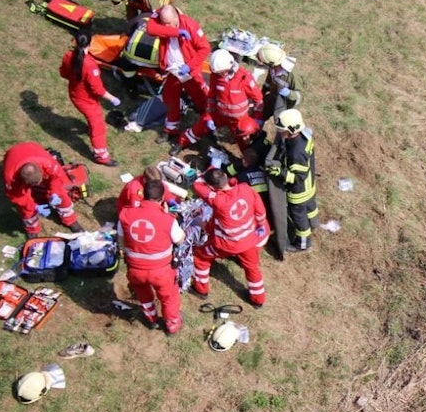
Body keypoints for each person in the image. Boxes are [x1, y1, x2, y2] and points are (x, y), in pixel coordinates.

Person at [191, 168, 269, 306]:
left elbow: (197, 185)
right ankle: (258, 299)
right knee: (252, 268)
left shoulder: (217, 200)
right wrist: (261, 224)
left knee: (200, 256)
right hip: (249, 240)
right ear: (226, 176)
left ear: (212, 187)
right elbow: (260, 210)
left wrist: (205, 173)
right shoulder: (245, 189)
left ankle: (201, 289)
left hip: (226, 244)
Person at [118, 180, 186, 333]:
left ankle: (152, 320)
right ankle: (172, 324)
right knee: (169, 297)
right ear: (162, 198)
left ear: (143, 195)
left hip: (135, 269)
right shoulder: (167, 219)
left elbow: (121, 241)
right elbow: (180, 239)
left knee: (143, 296)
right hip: (161, 271)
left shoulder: (126, 214)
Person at [170, 49, 263, 156]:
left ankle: (249, 161)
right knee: (199, 128)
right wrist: (209, 116)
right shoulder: (215, 76)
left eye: (223, 72)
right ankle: (181, 142)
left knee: (244, 143)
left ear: (231, 66)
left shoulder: (244, 78)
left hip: (239, 120)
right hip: (219, 113)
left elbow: (258, 100)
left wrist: (257, 119)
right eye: (218, 73)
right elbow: (211, 97)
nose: (222, 75)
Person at [145, 4, 210, 144]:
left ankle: (208, 124)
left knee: (201, 98)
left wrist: (189, 66)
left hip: (189, 70)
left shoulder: (191, 26)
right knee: (170, 99)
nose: (165, 26)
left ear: (176, 17)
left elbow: (205, 49)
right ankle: (171, 130)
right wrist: (175, 32)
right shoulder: (161, 17)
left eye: (168, 23)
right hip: (172, 70)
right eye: (163, 23)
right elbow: (150, 28)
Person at [59, 29, 121, 166]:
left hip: (75, 94)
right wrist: (112, 98)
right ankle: (101, 156)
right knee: (98, 126)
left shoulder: (68, 56)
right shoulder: (90, 65)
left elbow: (63, 73)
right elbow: (97, 89)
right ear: (90, 44)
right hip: (87, 101)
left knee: (93, 121)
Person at [1, 142, 84, 238]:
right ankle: (32, 230)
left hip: (32, 148)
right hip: (13, 155)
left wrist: (55, 193)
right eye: (33, 185)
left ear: (41, 170)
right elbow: (17, 197)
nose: (37, 185)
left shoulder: (48, 163)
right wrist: (34, 206)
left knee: (62, 195)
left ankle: (71, 220)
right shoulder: (11, 178)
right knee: (25, 209)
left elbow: (57, 178)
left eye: (39, 182)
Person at [265, 109, 317, 252]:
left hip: (299, 192)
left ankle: (303, 244)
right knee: (310, 206)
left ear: (291, 129)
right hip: (310, 184)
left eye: (281, 131)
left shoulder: (296, 152)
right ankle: (313, 222)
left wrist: (279, 172)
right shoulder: (305, 134)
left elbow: (297, 178)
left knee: (298, 216)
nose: (280, 133)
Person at [115, 165, 189, 215]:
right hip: (129, 212)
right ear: (144, 180)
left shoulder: (154, 182)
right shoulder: (134, 191)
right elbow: (137, 212)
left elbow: (164, 191)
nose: (158, 185)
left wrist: (173, 200)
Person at [256, 43, 301, 125]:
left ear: (271, 63)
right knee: (264, 112)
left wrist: (289, 93)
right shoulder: (273, 68)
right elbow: (268, 82)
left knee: (281, 123)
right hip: (273, 96)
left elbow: (299, 96)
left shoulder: (292, 75)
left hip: (286, 104)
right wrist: (262, 95)